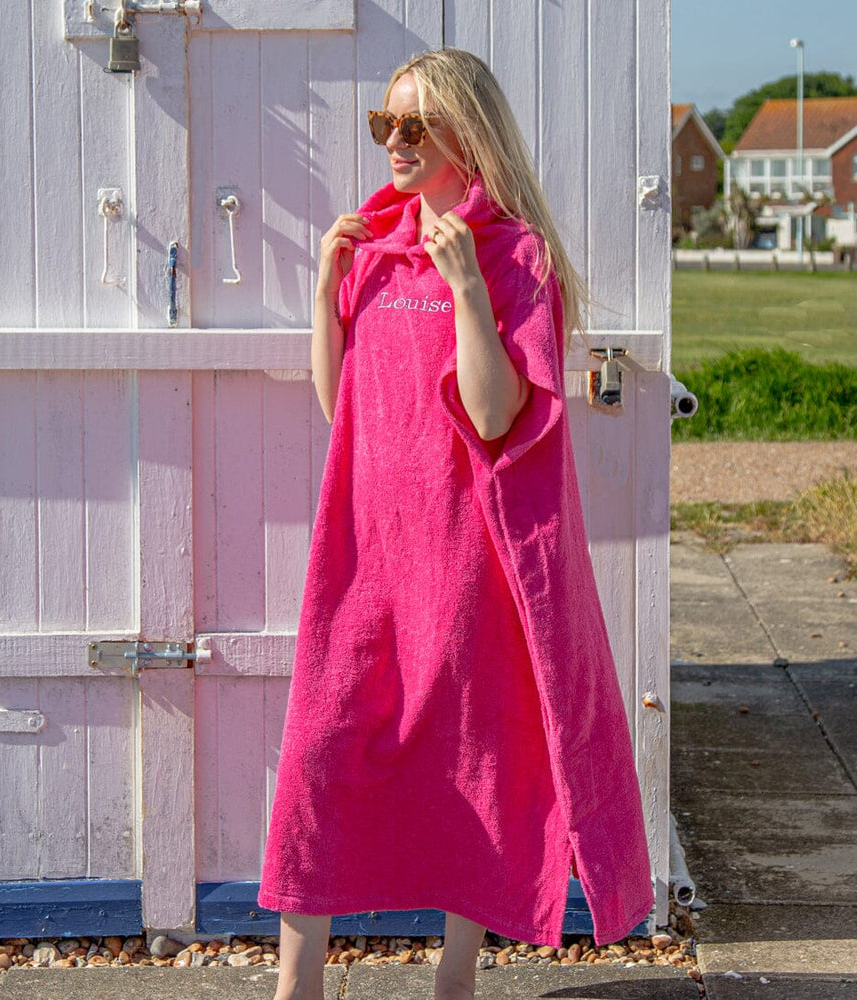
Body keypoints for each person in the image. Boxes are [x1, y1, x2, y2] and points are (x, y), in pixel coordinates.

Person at [257, 49, 653, 1000]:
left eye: (413, 126)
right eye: (383, 124)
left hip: (468, 559)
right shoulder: (378, 244)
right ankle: (295, 981)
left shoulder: (516, 254)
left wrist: (470, 289)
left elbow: (495, 414)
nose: (393, 143)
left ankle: (457, 974)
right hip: (365, 552)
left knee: (473, 764)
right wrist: (324, 290)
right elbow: (337, 406)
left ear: (465, 137)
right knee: (320, 749)